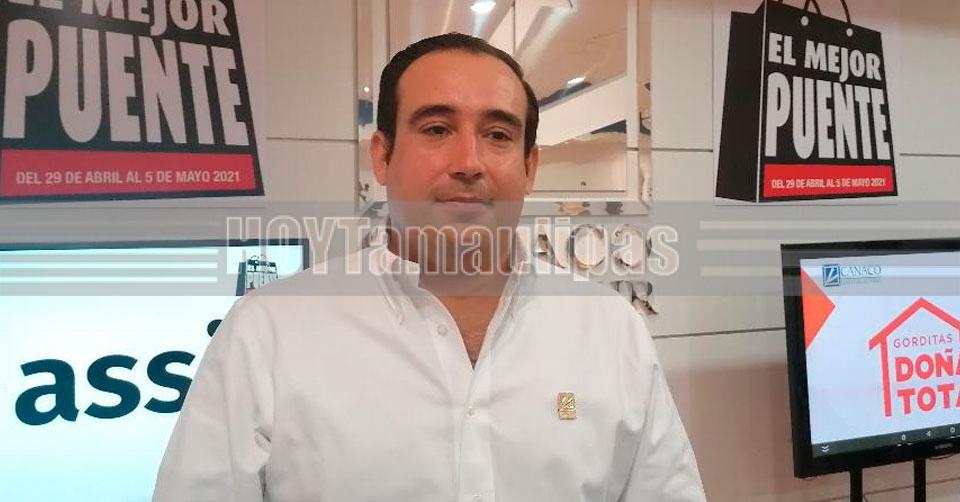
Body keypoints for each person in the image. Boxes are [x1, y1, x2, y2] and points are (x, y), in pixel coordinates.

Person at [153, 33, 706, 501]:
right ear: (382, 156)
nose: (469, 163)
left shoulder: (609, 330)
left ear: (530, 166)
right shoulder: (269, 332)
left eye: (498, 135)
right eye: (437, 129)